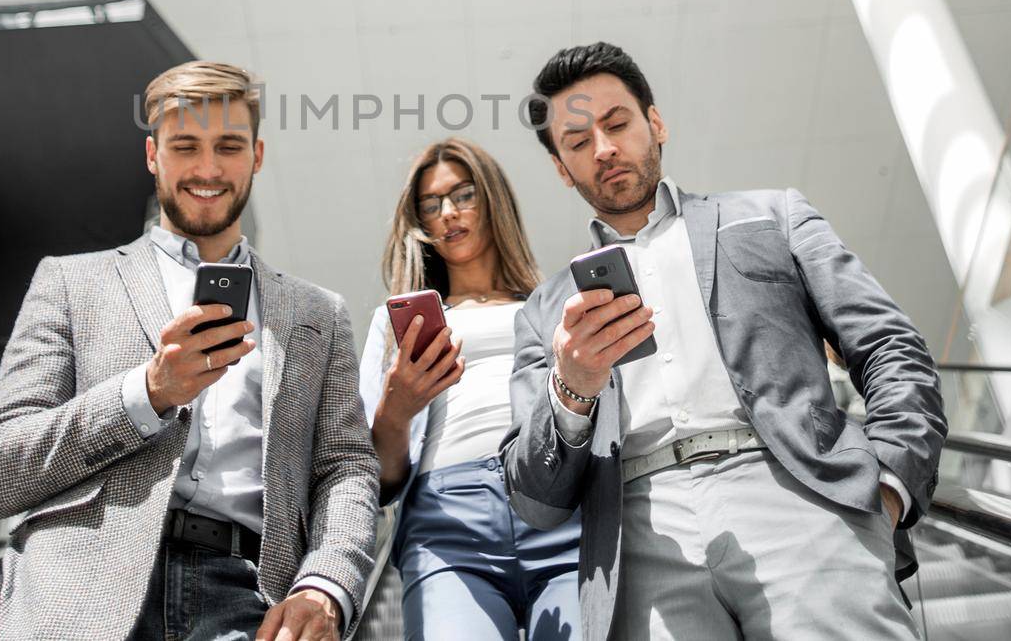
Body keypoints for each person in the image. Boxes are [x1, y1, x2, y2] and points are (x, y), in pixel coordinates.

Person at [500, 42, 947, 641]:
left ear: (655, 123)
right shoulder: (545, 313)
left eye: (618, 124)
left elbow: (890, 346)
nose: (604, 149)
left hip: (797, 493)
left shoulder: (773, 216)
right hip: (639, 531)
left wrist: (889, 482)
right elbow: (534, 496)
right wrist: (571, 391)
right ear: (562, 167)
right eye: (578, 143)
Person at [0, 61, 379, 641]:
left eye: (228, 146)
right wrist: (149, 392)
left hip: (248, 603)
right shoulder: (69, 283)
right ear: (152, 155)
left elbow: (346, 467)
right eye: (185, 145)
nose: (208, 169)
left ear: (256, 157)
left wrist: (326, 585)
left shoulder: (318, 314)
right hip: (81, 596)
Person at [357, 138, 583, 641]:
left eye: (463, 195)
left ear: (493, 198)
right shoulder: (395, 324)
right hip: (447, 517)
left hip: (558, 502)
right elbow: (379, 478)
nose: (447, 214)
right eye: (430, 205)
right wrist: (395, 411)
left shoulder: (551, 304)